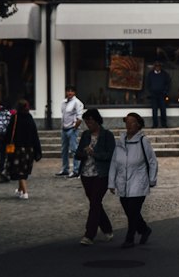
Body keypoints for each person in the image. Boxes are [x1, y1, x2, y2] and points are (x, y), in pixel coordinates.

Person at [109, 111, 158, 247]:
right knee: (129, 210)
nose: (129, 125)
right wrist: (111, 182)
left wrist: (152, 179)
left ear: (138, 125)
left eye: (132, 122)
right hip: (123, 183)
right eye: (127, 122)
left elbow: (152, 161)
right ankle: (144, 229)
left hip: (139, 182)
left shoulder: (143, 141)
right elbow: (114, 162)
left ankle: (129, 238)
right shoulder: (120, 142)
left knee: (133, 211)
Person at [75, 108, 117, 246]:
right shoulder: (86, 135)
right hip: (86, 174)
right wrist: (84, 153)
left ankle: (89, 235)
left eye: (91, 122)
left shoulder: (107, 135)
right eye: (87, 122)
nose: (89, 125)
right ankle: (107, 229)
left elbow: (111, 155)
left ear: (97, 121)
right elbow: (78, 154)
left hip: (101, 174)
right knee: (95, 203)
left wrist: (95, 154)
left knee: (95, 202)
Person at [5, 99, 43, 199]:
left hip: (18, 149)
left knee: (19, 171)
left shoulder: (15, 117)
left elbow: (9, 132)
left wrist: (6, 143)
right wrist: (37, 149)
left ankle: (25, 192)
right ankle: (20, 190)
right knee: (23, 171)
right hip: (29, 149)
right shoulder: (30, 118)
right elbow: (35, 135)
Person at [59, 84, 85, 177]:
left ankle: (76, 170)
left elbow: (79, 118)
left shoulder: (77, 102)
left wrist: (74, 128)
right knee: (64, 150)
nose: (69, 92)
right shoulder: (64, 102)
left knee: (74, 150)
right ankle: (65, 169)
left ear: (74, 92)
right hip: (64, 129)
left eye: (71, 91)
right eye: (68, 91)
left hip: (72, 129)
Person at [145, 61, 171, 129]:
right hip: (153, 95)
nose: (157, 67)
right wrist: (150, 92)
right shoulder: (150, 74)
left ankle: (164, 124)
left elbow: (168, 84)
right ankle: (155, 124)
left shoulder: (164, 74)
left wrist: (165, 92)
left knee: (163, 109)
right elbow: (148, 84)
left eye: (158, 66)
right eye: (156, 66)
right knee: (154, 110)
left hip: (162, 95)